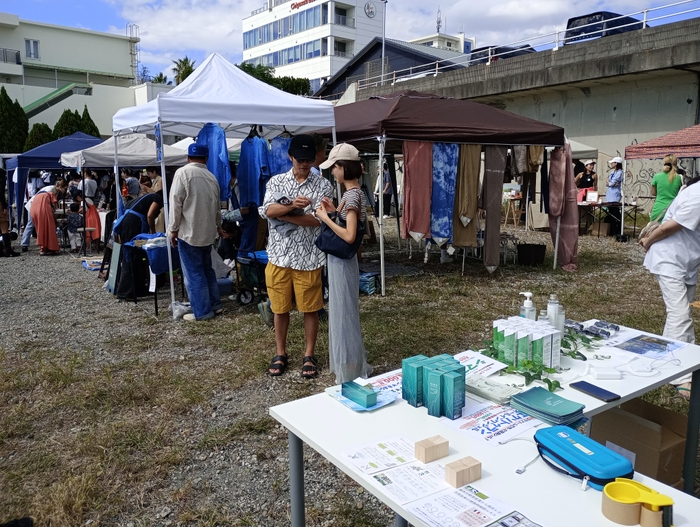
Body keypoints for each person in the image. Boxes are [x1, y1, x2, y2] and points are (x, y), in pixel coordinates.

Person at [259, 134, 333, 378]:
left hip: (309, 256)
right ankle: (280, 352)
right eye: (299, 159)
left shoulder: (323, 185)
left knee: (310, 308)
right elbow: (267, 210)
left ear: (315, 159)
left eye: (309, 160)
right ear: (290, 156)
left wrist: (286, 216)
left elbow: (320, 220)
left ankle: (309, 354)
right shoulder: (276, 182)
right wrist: (291, 204)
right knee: (279, 308)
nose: (304, 164)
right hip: (279, 255)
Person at [315, 144, 373, 383]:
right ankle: (349, 363)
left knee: (344, 312)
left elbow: (349, 235)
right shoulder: (356, 193)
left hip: (341, 261)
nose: (333, 173)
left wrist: (324, 219)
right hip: (343, 261)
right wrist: (332, 212)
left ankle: (349, 367)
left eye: (335, 168)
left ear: (343, 167)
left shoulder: (350, 195)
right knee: (344, 310)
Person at [640, 178, 700, 400]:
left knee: (678, 315)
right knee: (680, 314)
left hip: (687, 260)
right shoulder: (698, 194)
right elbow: (668, 227)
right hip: (670, 258)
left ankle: (667, 362)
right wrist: (647, 242)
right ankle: (681, 376)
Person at [168, 144, 225, 321]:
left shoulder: (182, 173)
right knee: (207, 270)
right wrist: (218, 226)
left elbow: (176, 203)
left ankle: (202, 312)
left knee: (194, 274)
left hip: (189, 232)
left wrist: (172, 229)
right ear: (206, 158)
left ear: (188, 158)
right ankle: (215, 305)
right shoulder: (211, 177)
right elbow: (217, 207)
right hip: (207, 232)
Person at [115, 191, 165, 300]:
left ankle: (139, 288)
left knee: (138, 256)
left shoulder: (144, 197)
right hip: (134, 225)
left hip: (128, 224)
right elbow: (150, 215)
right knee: (132, 255)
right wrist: (153, 232)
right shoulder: (157, 198)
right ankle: (125, 292)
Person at [30, 180, 68, 255]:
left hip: (34, 206)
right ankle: (50, 247)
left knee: (40, 228)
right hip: (43, 207)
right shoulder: (51, 191)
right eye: (65, 188)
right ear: (60, 187)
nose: (65, 190)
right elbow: (54, 205)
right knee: (49, 228)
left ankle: (43, 248)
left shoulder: (47, 190)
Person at [650, 154, 683, 222]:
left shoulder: (657, 176)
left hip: (658, 209)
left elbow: (653, 193)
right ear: (675, 164)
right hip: (672, 210)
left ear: (664, 163)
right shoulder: (679, 177)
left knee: (655, 231)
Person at [604, 156, 624, 236]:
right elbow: (608, 182)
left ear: (616, 163)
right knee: (611, 212)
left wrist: (610, 183)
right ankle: (612, 229)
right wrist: (610, 183)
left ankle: (617, 229)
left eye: (612, 162)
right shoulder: (612, 172)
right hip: (610, 194)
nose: (611, 164)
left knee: (615, 212)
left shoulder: (620, 172)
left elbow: (612, 182)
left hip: (615, 195)